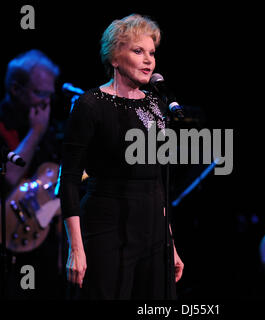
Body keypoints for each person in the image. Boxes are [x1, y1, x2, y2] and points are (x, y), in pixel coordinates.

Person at [60, 14, 184, 300]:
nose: (148, 60)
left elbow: (157, 181)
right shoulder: (90, 104)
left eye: (151, 53)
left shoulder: (157, 105)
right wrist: (76, 249)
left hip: (154, 234)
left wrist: (171, 243)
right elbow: (68, 181)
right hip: (107, 230)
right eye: (138, 51)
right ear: (115, 57)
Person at [0, 49, 63, 299]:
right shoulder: (5, 125)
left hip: (42, 248)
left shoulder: (52, 131)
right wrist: (35, 132)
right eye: (40, 93)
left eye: (50, 94)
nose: (46, 103)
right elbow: (7, 178)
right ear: (16, 89)